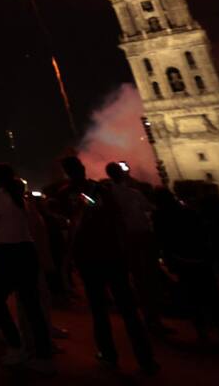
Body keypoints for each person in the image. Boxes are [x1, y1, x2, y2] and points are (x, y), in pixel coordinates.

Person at [57, 156, 158, 375]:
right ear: (83, 169)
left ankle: (108, 355)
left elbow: (64, 222)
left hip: (87, 257)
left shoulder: (64, 195)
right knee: (129, 308)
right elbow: (118, 218)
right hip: (113, 253)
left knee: (98, 309)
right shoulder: (102, 190)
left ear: (66, 172)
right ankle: (145, 358)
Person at [0, 163, 55, 373]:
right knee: (32, 305)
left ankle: (15, 346)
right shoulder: (20, 198)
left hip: (7, 254)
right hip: (26, 252)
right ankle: (44, 355)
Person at [152, 189, 219, 345]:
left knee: (192, 296)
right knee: (211, 292)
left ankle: (202, 332)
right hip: (200, 258)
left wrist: (168, 258)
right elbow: (202, 233)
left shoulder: (160, 217)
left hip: (182, 260)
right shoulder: (189, 212)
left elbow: (162, 239)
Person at [105, 162, 171, 336]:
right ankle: (152, 319)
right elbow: (149, 208)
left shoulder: (115, 193)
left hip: (129, 239)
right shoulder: (127, 193)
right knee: (146, 278)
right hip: (136, 238)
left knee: (139, 278)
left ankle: (147, 317)